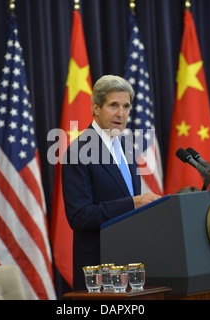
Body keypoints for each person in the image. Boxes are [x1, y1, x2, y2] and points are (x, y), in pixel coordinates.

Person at [61, 75, 161, 291]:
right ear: (96, 107)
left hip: (130, 265)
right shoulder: (78, 152)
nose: (121, 114)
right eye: (113, 105)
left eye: (126, 106)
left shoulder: (126, 147)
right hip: (99, 271)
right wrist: (132, 203)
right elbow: (80, 216)